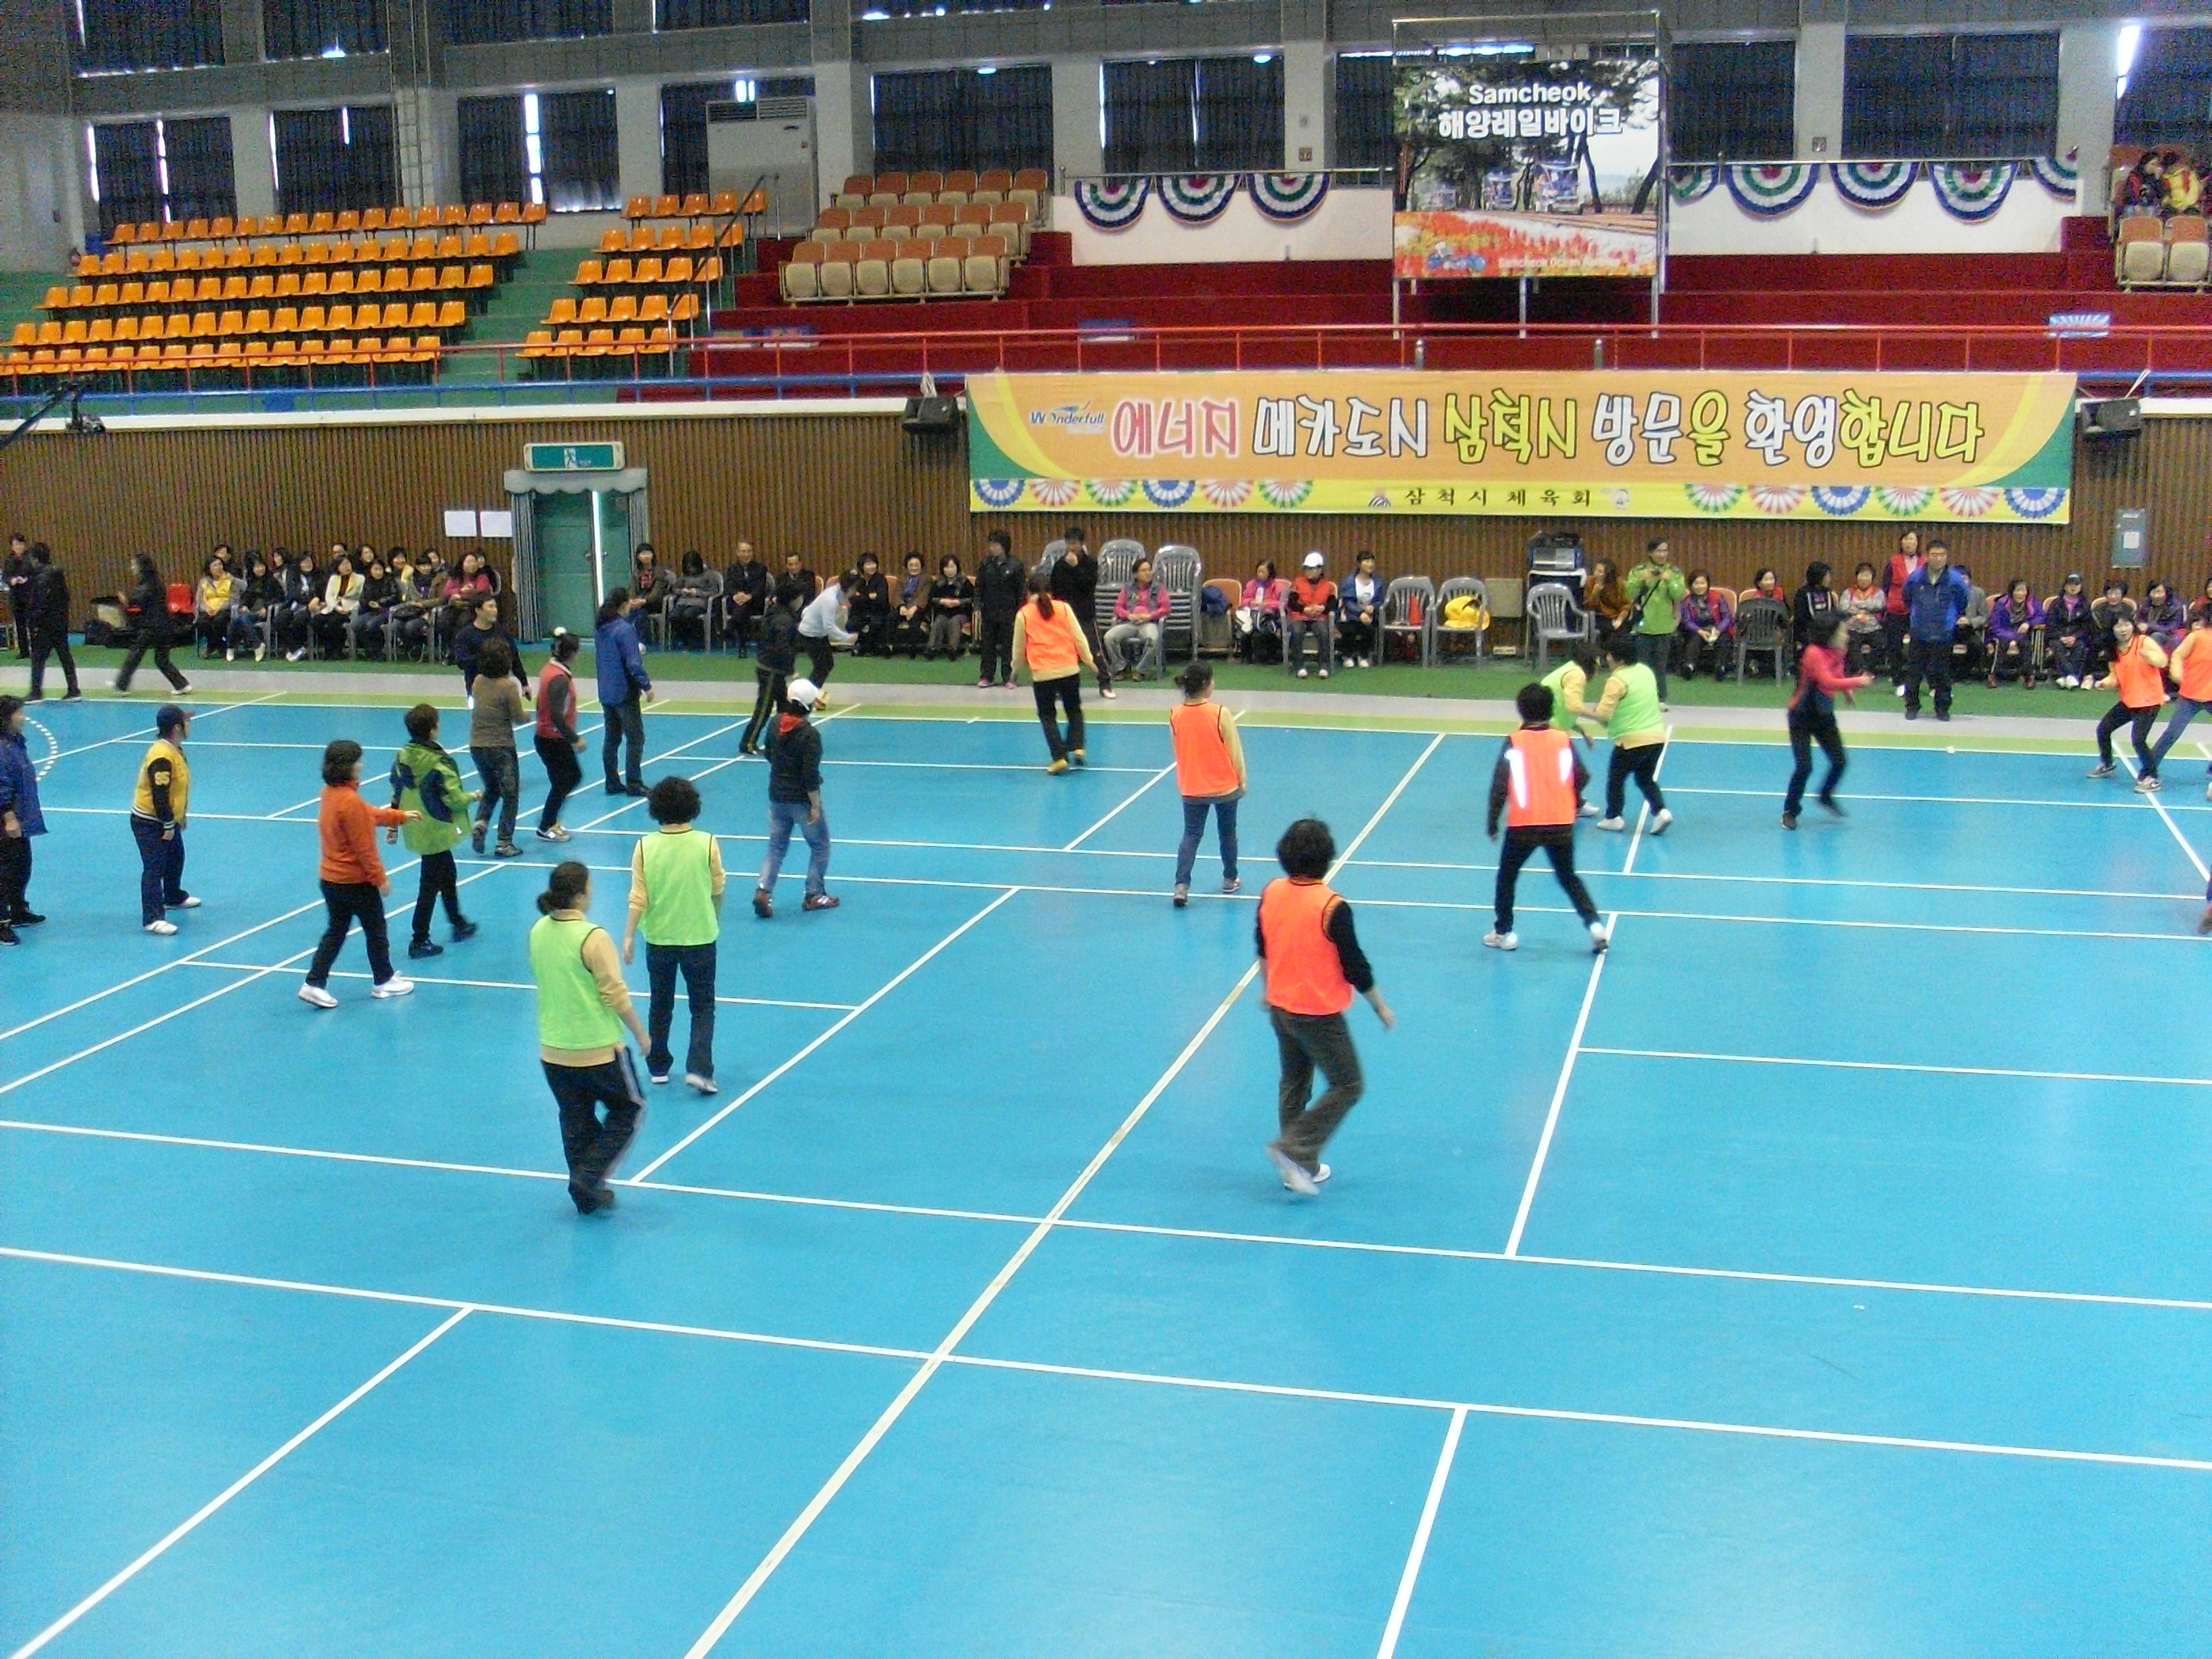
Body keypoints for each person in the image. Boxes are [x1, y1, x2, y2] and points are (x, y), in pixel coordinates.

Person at [1255, 817, 1392, 1195]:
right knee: (1348, 1084)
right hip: (1317, 1013)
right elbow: (1355, 966)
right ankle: (1294, 1149)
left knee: (1294, 1083)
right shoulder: (1333, 907)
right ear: (1327, 858)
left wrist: (1267, 990)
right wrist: (1380, 1006)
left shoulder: (1271, 892)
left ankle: (1298, 1168)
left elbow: (1263, 946)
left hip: (1281, 1006)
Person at [529, 860, 649, 1216]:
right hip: (598, 1049)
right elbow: (615, 994)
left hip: (553, 1048)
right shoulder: (593, 938)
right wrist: (641, 1034)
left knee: (574, 1118)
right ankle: (588, 1177)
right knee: (628, 1110)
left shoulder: (538, 930)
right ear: (580, 896)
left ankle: (586, 1191)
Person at [1483, 684, 1608, 955]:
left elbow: (1500, 785)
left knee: (1507, 877)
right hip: (1561, 822)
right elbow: (1582, 776)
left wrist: (1492, 822)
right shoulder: (1562, 739)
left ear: (1521, 710)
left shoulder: (1514, 741)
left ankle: (1504, 932)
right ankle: (1595, 926)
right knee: (1568, 877)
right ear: (1551, 710)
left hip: (1523, 824)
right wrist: (1569, 799)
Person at [623, 774, 725, 1090]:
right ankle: (700, 1069)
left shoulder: (644, 846)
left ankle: (658, 1066)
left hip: (659, 937)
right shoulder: (707, 842)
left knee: (660, 1002)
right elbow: (718, 887)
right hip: (700, 937)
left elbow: (638, 896)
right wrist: (713, 915)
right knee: (702, 1006)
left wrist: (628, 935)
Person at [298, 739, 417, 1007]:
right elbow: (365, 849)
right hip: (354, 882)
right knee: (376, 929)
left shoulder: (331, 794)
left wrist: (398, 816)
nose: (361, 765)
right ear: (348, 766)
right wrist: (380, 879)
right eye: (357, 761)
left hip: (331, 879)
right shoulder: (349, 802)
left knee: (336, 931)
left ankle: (314, 983)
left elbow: (367, 814)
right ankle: (383, 981)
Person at [389, 703, 480, 960]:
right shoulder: (439, 764)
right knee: (429, 887)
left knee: (447, 874)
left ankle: (457, 921)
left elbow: (396, 791)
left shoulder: (402, 758)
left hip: (416, 826)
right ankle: (419, 939)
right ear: (433, 729)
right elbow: (454, 799)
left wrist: (394, 823)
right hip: (437, 828)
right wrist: (473, 796)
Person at [753, 677, 838, 915]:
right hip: (800, 799)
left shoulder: (774, 723)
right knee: (820, 846)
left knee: (776, 846)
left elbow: (769, 754)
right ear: (809, 705)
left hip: (776, 796)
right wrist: (815, 805)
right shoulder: (810, 735)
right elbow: (810, 775)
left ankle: (763, 890)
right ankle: (814, 894)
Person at [1168, 661, 1246, 907]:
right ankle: (1230, 878)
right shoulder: (1220, 713)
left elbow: (1178, 749)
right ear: (1205, 684)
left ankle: (1181, 886)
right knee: (1227, 832)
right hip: (1224, 785)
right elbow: (1235, 751)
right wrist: (1242, 779)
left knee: (1191, 835)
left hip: (1192, 786)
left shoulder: (1175, 714)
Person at [1781, 621, 1872, 829]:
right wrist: (1858, 681)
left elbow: (1837, 671)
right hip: (1801, 716)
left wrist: (1847, 692)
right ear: (1829, 634)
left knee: (1840, 761)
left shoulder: (1839, 650)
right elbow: (1827, 681)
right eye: (1842, 632)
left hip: (1823, 715)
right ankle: (1790, 811)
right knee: (1804, 767)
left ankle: (1825, 795)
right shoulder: (1813, 653)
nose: (1846, 636)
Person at [1012, 572, 1097, 773]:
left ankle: (1059, 757)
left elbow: (1019, 648)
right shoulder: (1064, 608)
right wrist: (1090, 661)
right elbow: (1079, 638)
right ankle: (1078, 746)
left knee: (1047, 715)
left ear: (1028, 593)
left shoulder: (1023, 614)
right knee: (1074, 710)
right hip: (1069, 669)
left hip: (1043, 673)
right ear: (1051, 591)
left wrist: (1015, 669)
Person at [1589, 636, 1671, 834]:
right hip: (1657, 738)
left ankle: (1613, 817)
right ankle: (1661, 811)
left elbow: (1603, 714)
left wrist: (1586, 712)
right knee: (1644, 778)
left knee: (1616, 778)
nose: (1607, 658)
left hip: (1631, 741)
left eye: (1609, 655)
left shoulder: (1617, 680)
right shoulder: (1645, 671)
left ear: (1616, 658)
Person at [130, 705, 196, 936]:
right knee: (154, 867)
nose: (189, 725)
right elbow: (160, 794)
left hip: (168, 817)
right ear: (177, 728)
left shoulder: (175, 750)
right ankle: (153, 918)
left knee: (176, 857)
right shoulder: (162, 756)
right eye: (186, 722)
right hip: (150, 821)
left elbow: (177, 788)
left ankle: (173, 895)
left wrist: (180, 815)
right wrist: (167, 823)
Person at [2087, 614, 2171, 784]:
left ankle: (2152, 776)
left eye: (2126, 625)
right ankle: (2107, 763)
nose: (2123, 629)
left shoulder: (2143, 641)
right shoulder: (2114, 650)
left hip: (2149, 702)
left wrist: (2151, 658)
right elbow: (2114, 678)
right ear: (2112, 630)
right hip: (2129, 701)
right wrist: (2103, 683)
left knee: (2138, 740)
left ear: (2133, 626)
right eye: (2118, 626)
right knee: (2103, 729)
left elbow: (2163, 661)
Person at [468, 637, 527, 857]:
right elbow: (518, 717)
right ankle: (504, 841)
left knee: (492, 788)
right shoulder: (508, 685)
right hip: (501, 746)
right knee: (510, 794)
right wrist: (530, 715)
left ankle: (480, 823)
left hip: (477, 745)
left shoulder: (478, 681)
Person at [1900, 539, 1971, 721]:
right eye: (1934, 555)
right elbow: (1906, 597)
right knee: (1914, 672)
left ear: (1947, 557)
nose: (1938, 559)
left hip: (1944, 632)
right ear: (1927, 556)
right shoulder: (1915, 577)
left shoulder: (1955, 579)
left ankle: (1942, 709)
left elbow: (1963, 600)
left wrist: (1951, 618)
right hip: (1919, 631)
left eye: (1942, 555)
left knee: (1942, 673)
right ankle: (1912, 706)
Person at [2144, 613, 2212, 795]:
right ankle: (2149, 769)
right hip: (2190, 696)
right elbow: (2178, 655)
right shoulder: (2197, 637)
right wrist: (2177, 673)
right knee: (2172, 733)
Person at [596, 586, 653, 797]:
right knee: (635, 738)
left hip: (606, 689)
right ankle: (634, 782)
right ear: (624, 605)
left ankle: (611, 781)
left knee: (612, 738)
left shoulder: (601, 627)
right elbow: (633, 663)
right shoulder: (625, 629)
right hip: (624, 691)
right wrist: (646, 685)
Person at [1048, 525, 1113, 699]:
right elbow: (1055, 590)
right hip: (1065, 615)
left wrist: (1076, 567)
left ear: (1082, 544)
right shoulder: (1060, 565)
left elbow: (1089, 586)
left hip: (1085, 614)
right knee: (1063, 652)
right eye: (1069, 543)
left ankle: (1105, 684)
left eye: (1075, 543)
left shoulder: (1090, 563)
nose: (1072, 547)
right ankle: (1061, 688)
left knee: (1095, 650)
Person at [533, 628, 586, 841]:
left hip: (548, 736)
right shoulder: (560, 679)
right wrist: (575, 738)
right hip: (553, 739)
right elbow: (556, 714)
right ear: (572, 653)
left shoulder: (550, 670)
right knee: (568, 778)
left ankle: (550, 819)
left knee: (563, 780)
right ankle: (546, 825)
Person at [0, 695, 44, 942]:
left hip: (21, 816)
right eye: (19, 713)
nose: (24, 718)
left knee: (21, 865)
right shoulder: (2, 749)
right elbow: (1, 785)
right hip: (8, 819)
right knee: (4, 871)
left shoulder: (15, 743)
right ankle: (1, 922)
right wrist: (9, 817)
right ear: (7, 718)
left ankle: (18, 909)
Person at [114, 553, 190, 695]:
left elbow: (137, 602)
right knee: (161, 659)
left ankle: (121, 685)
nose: (132, 568)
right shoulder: (156, 581)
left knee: (135, 655)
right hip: (165, 624)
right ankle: (181, 685)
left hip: (151, 627)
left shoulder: (147, 584)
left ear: (141, 566)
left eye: (134, 565)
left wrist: (126, 601)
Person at [741, 580, 800, 757]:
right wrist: (790, 669)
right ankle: (748, 743)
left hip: (775, 668)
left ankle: (783, 740)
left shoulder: (779, 613)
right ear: (792, 600)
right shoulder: (784, 620)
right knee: (764, 707)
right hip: (771, 669)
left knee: (784, 707)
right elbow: (782, 647)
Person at [1625, 537, 1687, 698]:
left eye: (1665, 550)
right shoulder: (1638, 571)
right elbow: (1629, 593)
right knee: (1642, 666)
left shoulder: (1674, 572)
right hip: (1643, 625)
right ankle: (1641, 696)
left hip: (1664, 626)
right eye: (1658, 551)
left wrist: (1670, 581)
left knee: (1661, 665)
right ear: (1650, 553)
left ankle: (1661, 697)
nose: (1662, 554)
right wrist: (1641, 580)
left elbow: (1679, 595)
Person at [22, 544, 79, 701]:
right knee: (65, 656)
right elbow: (65, 598)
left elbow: (41, 603)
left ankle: (36, 692)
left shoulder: (41, 578)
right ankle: (74, 689)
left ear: (35, 559)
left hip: (44, 625)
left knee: (38, 658)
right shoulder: (57, 575)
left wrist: (33, 619)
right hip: (60, 622)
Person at [974, 529, 1026, 689]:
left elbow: (1021, 591)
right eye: (991, 545)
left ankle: (1009, 677)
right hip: (989, 611)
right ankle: (987, 676)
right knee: (987, 646)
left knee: (1008, 646)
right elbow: (979, 587)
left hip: (1009, 611)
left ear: (1004, 546)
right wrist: (977, 606)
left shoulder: (1016, 565)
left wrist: (1021, 611)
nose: (993, 548)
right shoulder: (985, 564)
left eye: (996, 545)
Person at [1106, 555, 1168, 680]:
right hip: (1130, 623)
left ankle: (1141, 670)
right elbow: (1118, 607)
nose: (1148, 573)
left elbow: (1166, 608)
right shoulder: (1127, 589)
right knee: (1109, 637)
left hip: (1149, 623)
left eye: (1149, 570)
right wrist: (1129, 616)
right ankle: (1122, 667)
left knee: (1153, 639)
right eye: (1144, 570)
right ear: (1135, 574)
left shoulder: (1159, 589)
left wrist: (1149, 616)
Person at [798, 567, 855, 701]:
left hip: (819, 633)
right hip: (810, 635)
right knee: (822, 666)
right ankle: (806, 695)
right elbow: (829, 626)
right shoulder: (831, 599)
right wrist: (847, 638)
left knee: (827, 664)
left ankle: (810, 694)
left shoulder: (837, 593)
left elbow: (808, 610)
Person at [1879, 529, 1923, 691]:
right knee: (1895, 645)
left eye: (1912, 539)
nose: (1908, 543)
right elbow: (1886, 585)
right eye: (1905, 539)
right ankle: (1897, 677)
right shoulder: (1893, 561)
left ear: (1918, 542)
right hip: (1896, 609)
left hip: (1918, 610)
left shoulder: (1924, 562)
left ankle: (1915, 676)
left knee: (1918, 645)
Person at [1284, 552, 1336, 679]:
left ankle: (1324, 666)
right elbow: (1291, 602)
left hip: (1319, 617)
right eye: (1306, 568)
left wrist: (1323, 609)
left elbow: (1333, 603)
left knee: (1324, 632)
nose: (1308, 571)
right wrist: (1304, 609)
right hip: (1300, 616)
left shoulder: (1327, 585)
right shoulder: (1298, 582)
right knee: (1296, 632)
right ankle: (1299, 665)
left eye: (1311, 568)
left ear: (1320, 569)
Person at [1984, 579, 2045, 687]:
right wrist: (2012, 638)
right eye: (2018, 591)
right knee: (2001, 644)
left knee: (2027, 644)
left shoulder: (2032, 603)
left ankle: (2030, 676)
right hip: (2002, 634)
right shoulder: (2001, 604)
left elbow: (2042, 616)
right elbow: (1995, 626)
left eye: (2023, 591)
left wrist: (2028, 623)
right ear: (2012, 592)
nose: (2021, 594)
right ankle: (1992, 675)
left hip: (2022, 635)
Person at [2047, 573, 2095, 689]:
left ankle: (2065, 677)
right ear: (2065, 587)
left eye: (2076, 585)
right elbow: (2051, 624)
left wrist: (2075, 637)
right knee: (2057, 646)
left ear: (2081, 587)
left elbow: (2087, 626)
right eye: (2070, 584)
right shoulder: (2056, 604)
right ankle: (2071, 676)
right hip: (2058, 637)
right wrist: (2061, 637)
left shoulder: (2085, 605)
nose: (2073, 587)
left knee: (2080, 646)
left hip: (2077, 638)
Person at [665, 550, 721, 651]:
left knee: (688, 615)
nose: (691, 569)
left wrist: (697, 592)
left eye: (692, 567)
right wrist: (683, 591)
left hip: (699, 603)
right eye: (688, 567)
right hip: (683, 601)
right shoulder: (684, 576)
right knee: (673, 616)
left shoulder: (709, 575)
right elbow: (675, 588)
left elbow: (714, 592)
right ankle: (682, 639)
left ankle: (693, 640)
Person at [720, 541, 769, 653]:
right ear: (738, 553)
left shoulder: (760, 568)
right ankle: (741, 643)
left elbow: (760, 588)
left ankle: (732, 629)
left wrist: (749, 597)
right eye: (743, 552)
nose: (746, 555)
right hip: (737, 602)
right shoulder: (732, 569)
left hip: (755, 603)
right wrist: (736, 595)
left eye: (749, 552)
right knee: (741, 610)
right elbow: (728, 586)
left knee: (741, 610)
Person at [227, 553, 276, 661]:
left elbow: (279, 598)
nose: (260, 569)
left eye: (261, 566)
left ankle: (251, 645)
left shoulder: (272, 581)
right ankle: (234, 647)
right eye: (257, 567)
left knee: (242, 618)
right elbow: (245, 597)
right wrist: (244, 605)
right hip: (251, 612)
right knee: (236, 619)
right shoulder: (252, 582)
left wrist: (266, 607)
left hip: (264, 613)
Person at [1838, 562, 1885, 676]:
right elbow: (1844, 607)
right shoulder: (1849, 592)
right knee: (1852, 645)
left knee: (1880, 645)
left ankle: (1869, 669)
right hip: (1853, 627)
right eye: (1861, 576)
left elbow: (1879, 605)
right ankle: (1860, 671)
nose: (1864, 579)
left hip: (1873, 627)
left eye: (1867, 576)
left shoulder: (1878, 592)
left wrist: (1858, 606)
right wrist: (1863, 611)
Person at [1338, 550, 1385, 668]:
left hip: (1371, 615)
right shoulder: (1349, 581)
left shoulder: (1378, 581)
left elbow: (1380, 600)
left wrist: (1373, 607)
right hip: (1351, 614)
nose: (1370, 565)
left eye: (1372, 562)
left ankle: (1364, 655)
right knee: (1350, 627)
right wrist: (1360, 613)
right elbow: (1348, 602)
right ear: (1359, 564)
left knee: (1369, 627)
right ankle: (1347, 655)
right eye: (1367, 561)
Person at [1236, 559, 1287, 664]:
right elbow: (1243, 600)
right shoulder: (1251, 585)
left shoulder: (1278, 587)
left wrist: (1267, 604)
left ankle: (1268, 656)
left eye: (1263, 572)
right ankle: (1246, 657)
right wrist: (1251, 602)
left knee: (1263, 630)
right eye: (1258, 571)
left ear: (1270, 573)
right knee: (1245, 628)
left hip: (1269, 616)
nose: (1260, 574)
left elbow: (1283, 603)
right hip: (1252, 614)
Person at [315, 552, 363, 659]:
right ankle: (327, 647)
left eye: (348, 564)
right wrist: (336, 607)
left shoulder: (360, 579)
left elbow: (361, 598)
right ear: (338, 567)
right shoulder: (334, 578)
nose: (347, 567)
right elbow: (329, 596)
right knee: (317, 620)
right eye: (343, 565)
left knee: (334, 623)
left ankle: (337, 650)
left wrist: (347, 609)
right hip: (334, 607)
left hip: (350, 609)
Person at [927, 554, 975, 661]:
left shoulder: (964, 582)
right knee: (939, 621)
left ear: (957, 568)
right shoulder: (938, 582)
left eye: (952, 567)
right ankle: (932, 648)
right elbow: (931, 598)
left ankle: (953, 649)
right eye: (947, 567)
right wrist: (942, 601)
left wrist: (959, 602)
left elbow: (972, 598)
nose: (950, 570)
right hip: (944, 612)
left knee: (955, 621)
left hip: (961, 613)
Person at [276, 548, 321, 660]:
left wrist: (313, 600)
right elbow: (294, 593)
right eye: (304, 562)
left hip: (312, 607)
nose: (307, 565)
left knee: (299, 620)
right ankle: (296, 648)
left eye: (309, 562)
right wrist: (306, 599)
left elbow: (320, 592)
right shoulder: (293, 575)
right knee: (280, 620)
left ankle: (296, 648)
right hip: (295, 605)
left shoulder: (319, 575)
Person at [845, 552, 890, 657]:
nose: (872, 567)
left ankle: (863, 647)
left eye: (873, 563)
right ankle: (863, 646)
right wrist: (869, 597)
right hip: (861, 613)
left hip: (879, 613)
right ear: (862, 566)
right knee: (852, 624)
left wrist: (861, 597)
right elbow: (852, 599)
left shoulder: (880, 580)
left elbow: (881, 600)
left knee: (872, 624)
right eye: (868, 564)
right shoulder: (859, 581)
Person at [1790, 560, 1841, 655]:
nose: (1829, 579)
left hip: (1827, 632)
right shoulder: (1803, 594)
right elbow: (1800, 619)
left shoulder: (1829, 593)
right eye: (1827, 576)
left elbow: (1832, 614)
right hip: (1808, 632)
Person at [889, 552, 930, 658]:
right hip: (904, 605)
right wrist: (901, 606)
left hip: (919, 607)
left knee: (915, 619)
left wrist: (914, 607)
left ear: (921, 566)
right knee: (891, 617)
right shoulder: (902, 578)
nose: (914, 568)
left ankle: (912, 649)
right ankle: (891, 646)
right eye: (911, 565)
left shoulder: (927, 579)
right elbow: (897, 594)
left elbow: (924, 595)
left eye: (917, 565)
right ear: (906, 566)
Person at [193, 554, 234, 659]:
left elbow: (232, 598)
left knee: (219, 621)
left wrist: (219, 609)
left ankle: (212, 646)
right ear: (209, 568)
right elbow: (199, 599)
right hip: (208, 609)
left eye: (220, 565)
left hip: (224, 608)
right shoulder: (204, 581)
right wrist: (206, 609)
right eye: (215, 565)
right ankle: (219, 645)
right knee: (202, 622)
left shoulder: (229, 579)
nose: (218, 568)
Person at [1583, 558, 1631, 647]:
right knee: (1608, 631)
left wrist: (1620, 619)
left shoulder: (1618, 584)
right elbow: (1588, 605)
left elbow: (1626, 605)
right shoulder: (1590, 581)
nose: (1596, 574)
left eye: (1600, 572)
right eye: (1596, 570)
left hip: (1616, 615)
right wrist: (1595, 593)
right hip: (1598, 616)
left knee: (1623, 633)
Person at [2139, 578, 2188, 651]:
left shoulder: (2176, 607)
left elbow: (2173, 628)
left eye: (2159, 592)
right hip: (2147, 633)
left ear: (2167, 593)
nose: (2156, 596)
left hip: (2168, 636)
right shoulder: (2146, 604)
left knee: (2156, 636)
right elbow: (2140, 620)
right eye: (2153, 592)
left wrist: (2150, 627)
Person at [1, 532, 26, 662]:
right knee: (20, 624)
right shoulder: (8, 561)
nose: (19, 547)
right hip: (16, 596)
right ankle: (24, 650)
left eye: (21, 544)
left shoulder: (30, 558)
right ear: (12, 546)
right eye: (16, 544)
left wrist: (26, 579)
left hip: (30, 594)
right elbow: (5, 577)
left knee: (35, 624)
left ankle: (40, 649)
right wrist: (12, 581)